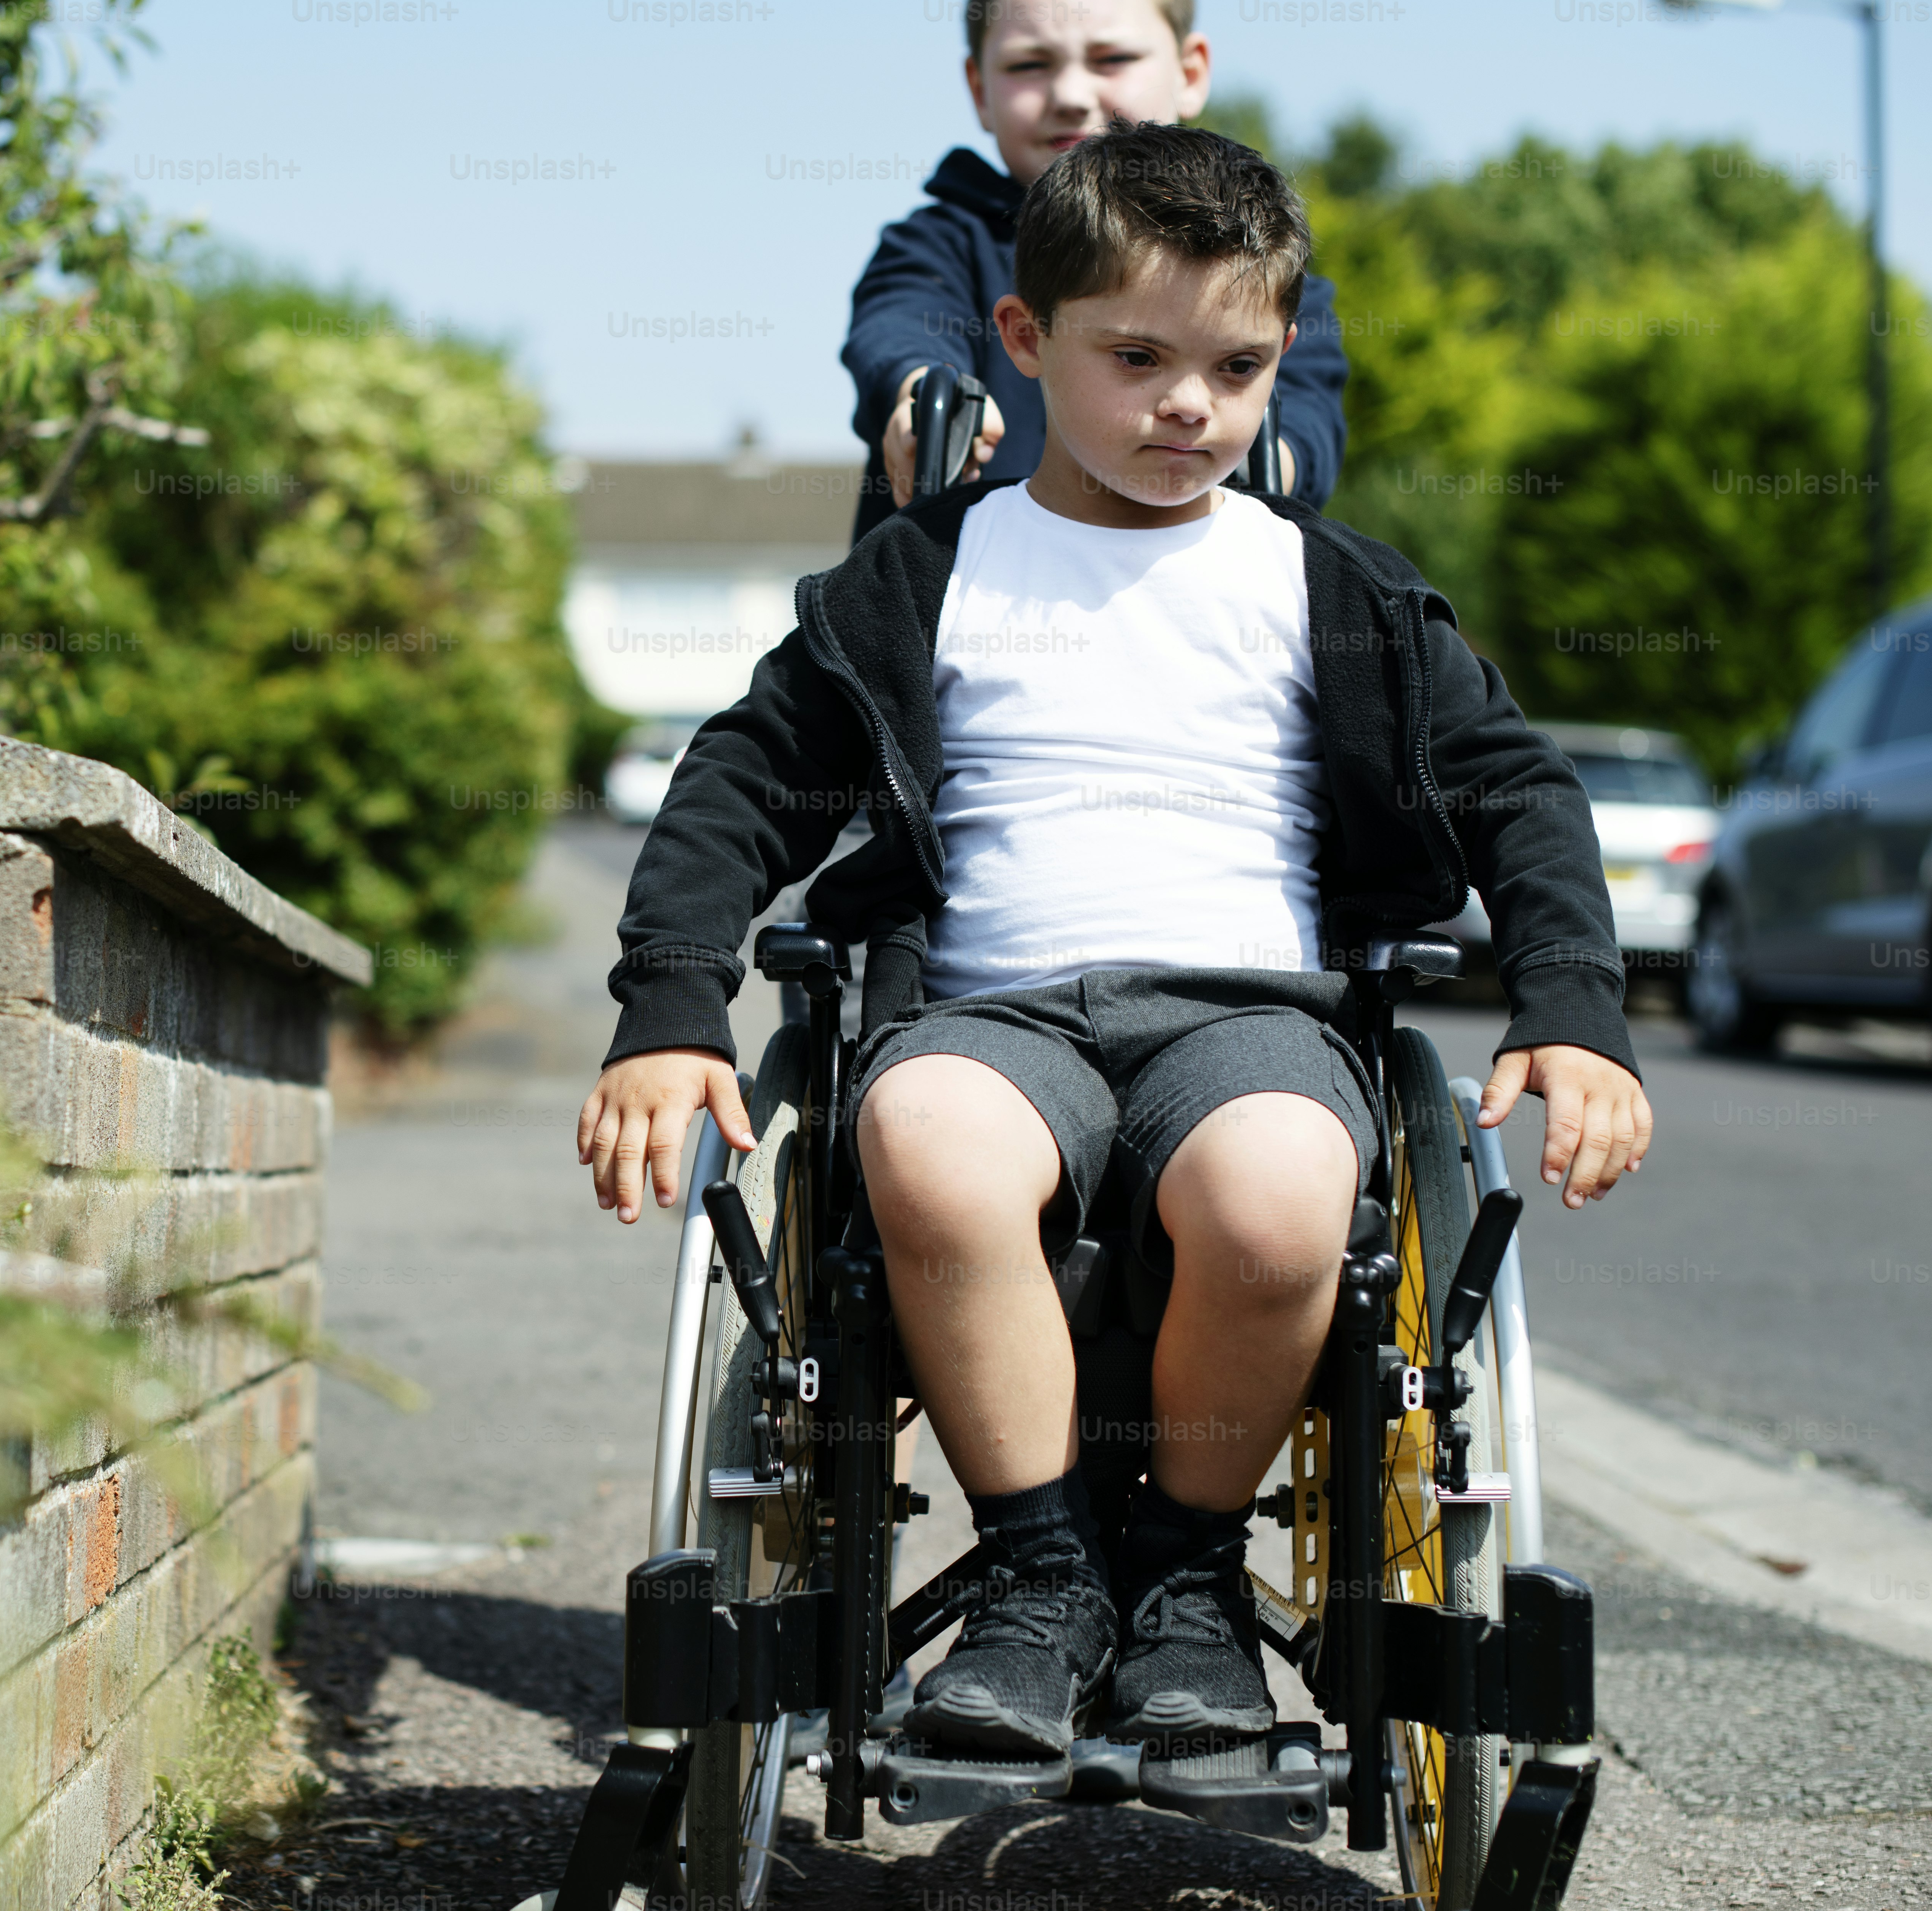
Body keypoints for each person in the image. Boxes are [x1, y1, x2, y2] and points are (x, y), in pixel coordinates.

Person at [577, 121, 1650, 1764]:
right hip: (995, 1014)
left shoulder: (1327, 589)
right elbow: (737, 781)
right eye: (1133, 355)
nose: (1185, 405)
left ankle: (1183, 1577)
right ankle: (1039, 1572)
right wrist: (669, 1009)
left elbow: (1516, 788)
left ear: (1279, 356)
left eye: (1232, 364)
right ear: (1023, 343)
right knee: (917, 1140)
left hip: (1250, 1013)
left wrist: (1569, 1007)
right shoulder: (921, 577)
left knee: (1285, 1191)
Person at [842, 0, 1352, 544]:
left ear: (1190, 71)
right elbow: (897, 326)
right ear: (979, 90)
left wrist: (1252, 471)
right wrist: (923, 401)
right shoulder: (940, 242)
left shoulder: (1257, 262)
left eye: (1112, 59)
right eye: (1029, 65)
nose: (1069, 94)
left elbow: (1306, 418)